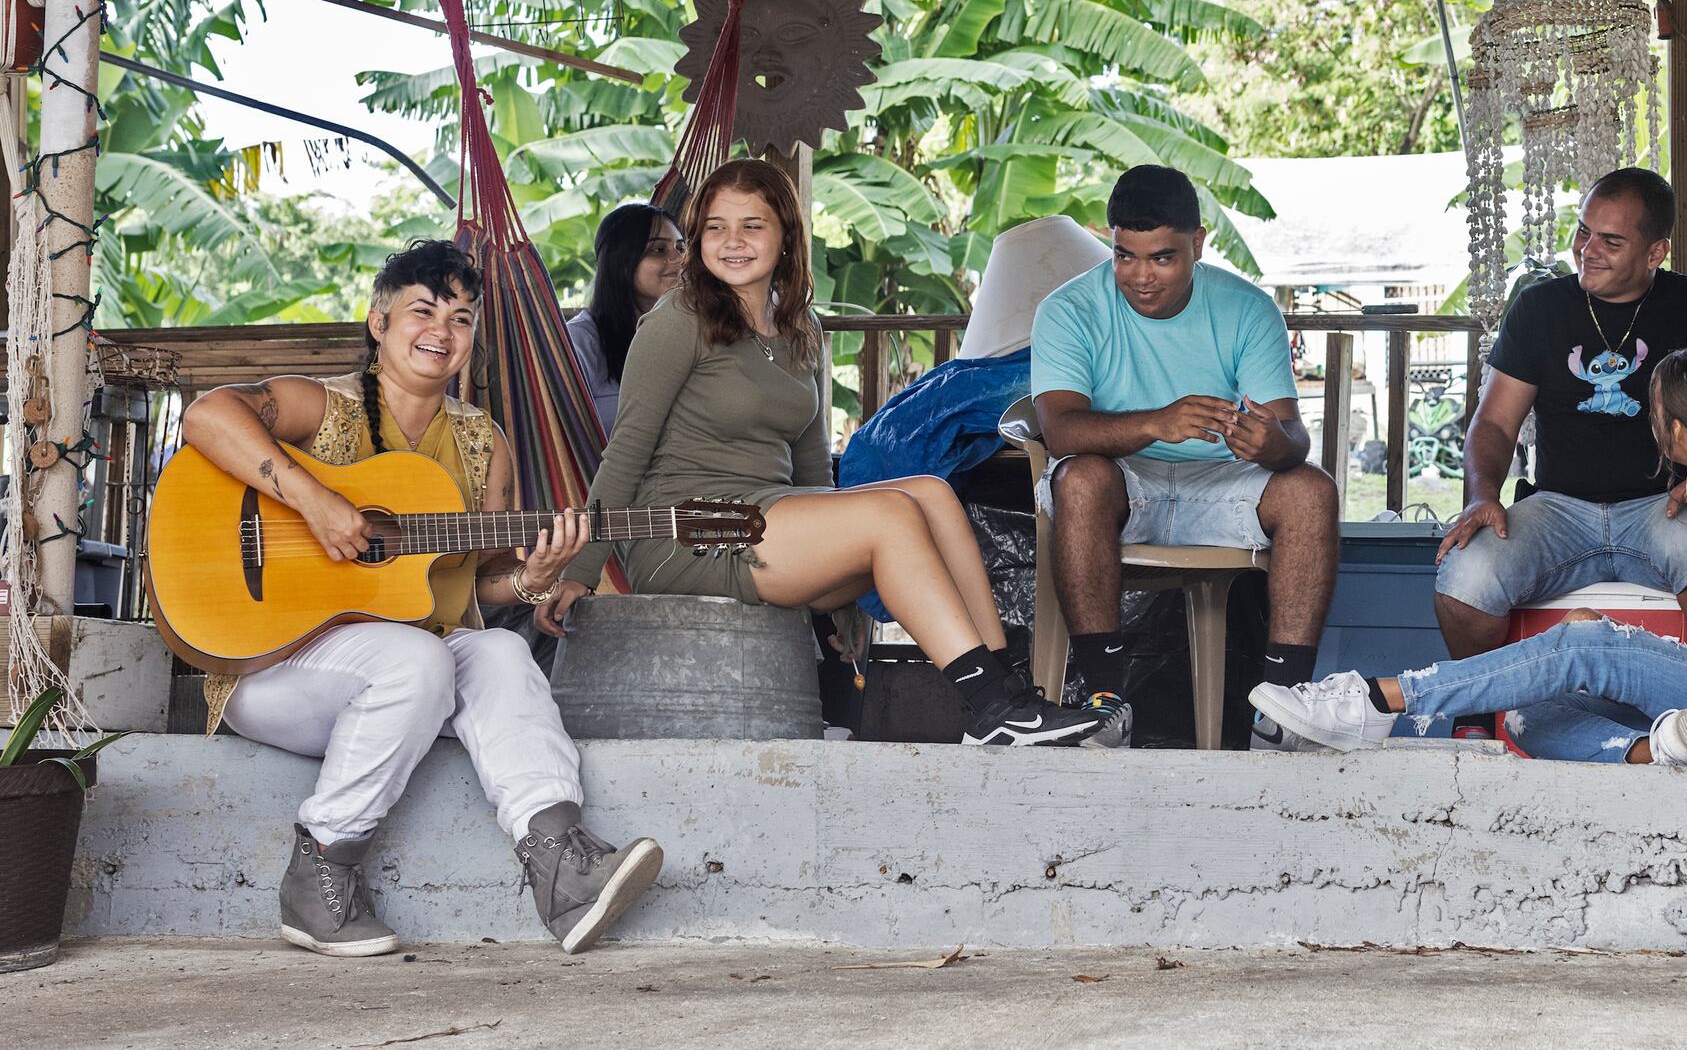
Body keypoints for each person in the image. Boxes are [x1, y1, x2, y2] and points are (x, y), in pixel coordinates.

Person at [181, 240, 661, 958]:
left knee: (496, 650)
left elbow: (484, 581)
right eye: (423, 309)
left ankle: (563, 866)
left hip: (405, 679)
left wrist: (535, 577)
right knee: (417, 659)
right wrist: (313, 501)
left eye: (462, 317)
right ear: (379, 322)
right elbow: (207, 416)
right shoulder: (324, 407)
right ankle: (320, 871)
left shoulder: (481, 443)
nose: (443, 329)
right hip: (269, 667)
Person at [541, 158, 1098, 746]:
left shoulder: (798, 325)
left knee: (931, 492)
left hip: (772, 516)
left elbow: (811, 472)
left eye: (752, 225)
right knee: (893, 512)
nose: (732, 242)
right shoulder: (677, 320)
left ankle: (1008, 695)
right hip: (690, 529)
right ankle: (990, 709)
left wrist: (845, 600)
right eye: (715, 227)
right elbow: (625, 450)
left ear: (785, 236)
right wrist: (581, 571)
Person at [1248, 343, 1687, 771]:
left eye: (1656, 408)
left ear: (1678, 430)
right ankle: (1660, 750)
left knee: (1590, 642)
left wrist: (1632, 651)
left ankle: (1375, 700)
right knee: (1529, 718)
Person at [1032, 164, 1338, 750]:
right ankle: (1105, 702)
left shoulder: (1247, 308)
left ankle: (1281, 708)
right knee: (1080, 478)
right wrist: (1157, 423)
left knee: (1310, 489)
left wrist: (1273, 444)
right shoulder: (1068, 309)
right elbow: (1062, 432)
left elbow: (1294, 438)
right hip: (1123, 486)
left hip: (1222, 485)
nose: (1140, 277)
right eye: (1125, 256)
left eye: (1163, 258)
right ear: (1110, 241)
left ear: (1198, 245)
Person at [1438, 169, 1687, 667]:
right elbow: (1494, 424)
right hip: (1558, 509)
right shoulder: (1540, 308)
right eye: (1583, 230)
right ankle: (1481, 714)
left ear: (1654, 253)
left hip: (1661, 508)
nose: (1587, 249)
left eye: (1611, 240)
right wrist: (1481, 497)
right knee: (1464, 581)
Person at [565, 202, 683, 436]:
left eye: (681, 248)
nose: (679, 260)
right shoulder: (581, 341)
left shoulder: (692, 335)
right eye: (658, 250)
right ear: (620, 261)